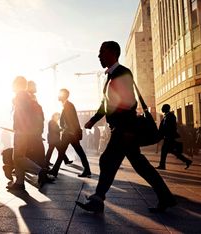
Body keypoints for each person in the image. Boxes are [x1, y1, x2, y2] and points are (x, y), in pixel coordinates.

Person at [76, 41, 176, 213]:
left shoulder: (122, 73)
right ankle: (165, 197)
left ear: (113, 53)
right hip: (121, 129)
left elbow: (129, 103)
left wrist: (129, 130)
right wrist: (93, 120)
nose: (99, 56)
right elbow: (105, 104)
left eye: (102, 52)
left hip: (124, 130)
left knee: (107, 160)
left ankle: (98, 199)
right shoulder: (110, 76)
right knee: (137, 164)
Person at [6, 76, 52, 191]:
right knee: (18, 157)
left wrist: (19, 128)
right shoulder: (27, 97)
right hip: (24, 131)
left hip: (21, 132)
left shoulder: (21, 96)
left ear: (18, 85)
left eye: (14, 84)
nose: (12, 86)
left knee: (18, 157)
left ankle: (40, 171)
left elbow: (22, 115)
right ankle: (19, 182)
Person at [48, 89, 91, 178]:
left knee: (65, 152)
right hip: (70, 133)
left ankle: (55, 171)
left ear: (64, 96)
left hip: (69, 134)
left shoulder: (68, 106)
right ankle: (87, 170)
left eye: (60, 94)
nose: (58, 96)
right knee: (73, 152)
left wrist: (70, 131)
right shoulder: (67, 105)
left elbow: (71, 120)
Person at [156, 104, 192, 170]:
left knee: (164, 151)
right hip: (168, 137)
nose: (161, 109)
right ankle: (187, 161)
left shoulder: (171, 116)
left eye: (163, 108)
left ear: (166, 108)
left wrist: (166, 134)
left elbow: (171, 127)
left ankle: (162, 166)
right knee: (172, 151)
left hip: (169, 137)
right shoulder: (166, 116)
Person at [26, 81, 47, 168]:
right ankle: (42, 168)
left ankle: (42, 167)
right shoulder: (28, 97)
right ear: (30, 87)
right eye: (34, 86)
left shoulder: (33, 97)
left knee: (35, 150)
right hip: (32, 130)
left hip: (35, 130)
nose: (36, 88)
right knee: (36, 150)